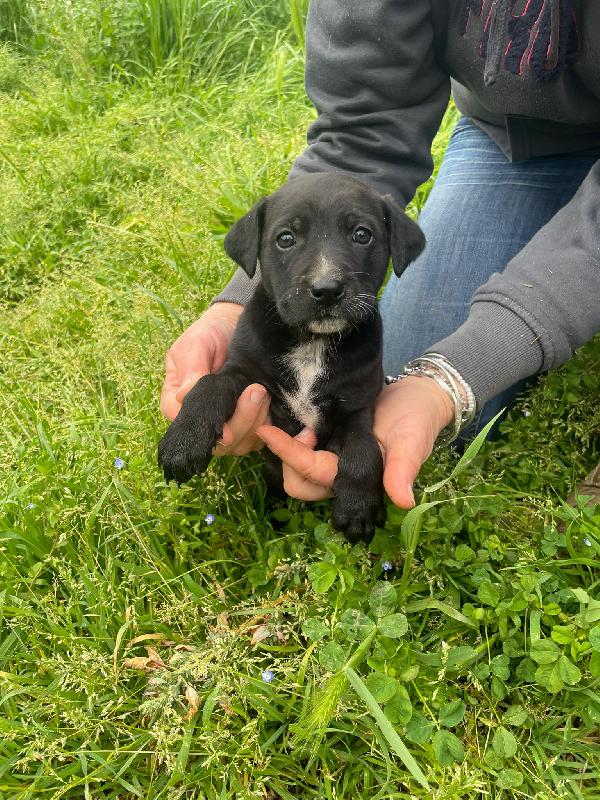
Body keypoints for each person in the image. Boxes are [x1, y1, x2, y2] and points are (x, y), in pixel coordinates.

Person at [161, 1, 600, 510]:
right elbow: (362, 134)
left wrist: (455, 378)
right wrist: (236, 308)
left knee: (434, 387)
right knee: (402, 395)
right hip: (514, 138)